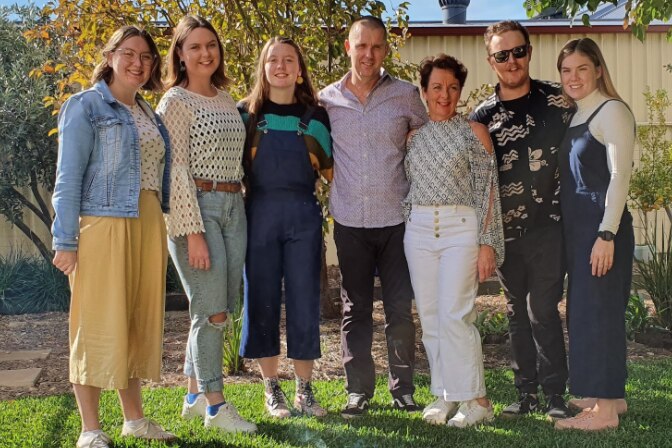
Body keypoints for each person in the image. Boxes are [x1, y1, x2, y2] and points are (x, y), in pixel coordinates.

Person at [51, 25, 175, 448]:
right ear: (110, 56)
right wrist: (65, 239)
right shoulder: (84, 106)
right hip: (103, 224)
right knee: (97, 322)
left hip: (147, 221)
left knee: (136, 321)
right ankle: (90, 430)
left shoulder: (148, 113)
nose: (138, 63)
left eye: (146, 57)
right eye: (129, 53)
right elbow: (68, 178)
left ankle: (135, 421)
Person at [319, 15, 428, 418]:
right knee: (355, 308)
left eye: (377, 46)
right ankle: (358, 391)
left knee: (400, 308)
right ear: (349, 47)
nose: (369, 54)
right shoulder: (326, 100)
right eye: (361, 46)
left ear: (385, 50)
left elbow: (426, 137)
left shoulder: (405, 96)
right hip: (349, 220)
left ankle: (403, 389)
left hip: (398, 219)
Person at [156, 16, 256, 434]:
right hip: (195, 206)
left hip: (234, 204)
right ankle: (217, 405)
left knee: (221, 306)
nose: (205, 53)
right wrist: (192, 231)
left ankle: (194, 396)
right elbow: (175, 169)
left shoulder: (225, 97)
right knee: (211, 309)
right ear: (180, 53)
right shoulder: (175, 101)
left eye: (211, 45)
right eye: (194, 46)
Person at [470, 20, 572, 419]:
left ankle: (554, 396)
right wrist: (484, 236)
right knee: (515, 312)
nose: (511, 61)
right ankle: (525, 393)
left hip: (550, 226)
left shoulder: (559, 101)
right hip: (505, 233)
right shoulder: (481, 116)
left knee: (542, 310)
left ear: (529, 51)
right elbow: (479, 181)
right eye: (501, 55)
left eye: (518, 52)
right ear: (490, 61)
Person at [404, 54, 504, 427]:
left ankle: (477, 400)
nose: (445, 95)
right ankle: (444, 395)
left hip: (461, 228)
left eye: (452, 88)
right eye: (437, 87)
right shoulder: (413, 139)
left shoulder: (473, 133)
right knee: (430, 317)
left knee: (456, 315)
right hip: (418, 231)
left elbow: (488, 190)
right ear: (424, 91)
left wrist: (487, 242)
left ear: (460, 91)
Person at [238, 36, 333, 419]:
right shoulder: (245, 115)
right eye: (272, 60)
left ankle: (305, 391)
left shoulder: (316, 117)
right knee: (260, 298)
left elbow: (330, 173)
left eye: (288, 60)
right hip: (258, 214)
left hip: (303, 217)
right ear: (263, 67)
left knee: (304, 299)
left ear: (299, 69)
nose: (280, 67)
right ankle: (271, 389)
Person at [554, 38, 635, 431]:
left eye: (581, 69)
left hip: (603, 230)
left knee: (600, 315)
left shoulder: (612, 111)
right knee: (587, 314)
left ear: (598, 69)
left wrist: (607, 233)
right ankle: (610, 397)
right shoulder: (576, 115)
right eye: (566, 70)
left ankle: (602, 414)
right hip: (579, 231)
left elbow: (620, 176)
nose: (573, 78)